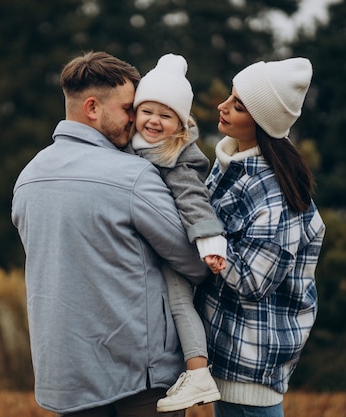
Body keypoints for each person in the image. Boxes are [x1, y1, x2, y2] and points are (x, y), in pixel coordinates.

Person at [11, 51, 209, 417]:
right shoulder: (131, 176)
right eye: (127, 109)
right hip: (138, 380)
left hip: (65, 376)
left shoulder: (28, 178)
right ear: (92, 108)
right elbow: (195, 264)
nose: (135, 120)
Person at [195, 57, 326, 417]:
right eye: (230, 97)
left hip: (249, 369)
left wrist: (209, 245)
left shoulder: (274, 195)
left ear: (262, 123)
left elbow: (254, 280)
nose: (222, 107)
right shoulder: (234, 168)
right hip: (227, 360)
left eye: (237, 105)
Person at [128, 53, 226, 412]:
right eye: (147, 111)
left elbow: (194, 200)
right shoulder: (130, 145)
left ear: (180, 124)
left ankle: (198, 373)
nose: (154, 121)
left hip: (180, 244)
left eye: (166, 115)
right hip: (151, 243)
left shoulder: (179, 156)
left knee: (180, 299)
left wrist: (209, 242)